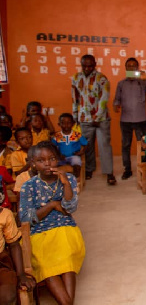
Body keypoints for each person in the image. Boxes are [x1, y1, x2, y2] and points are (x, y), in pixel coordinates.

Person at [19, 142, 86, 305]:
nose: (47, 163)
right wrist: (53, 205)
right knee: (46, 261)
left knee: (67, 255)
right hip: (38, 232)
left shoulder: (68, 178)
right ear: (33, 164)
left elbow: (70, 207)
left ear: (58, 160)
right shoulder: (28, 186)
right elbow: (26, 218)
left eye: (52, 158)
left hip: (64, 228)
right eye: (41, 160)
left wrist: (65, 183)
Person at [71, 54, 116, 184]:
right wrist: (75, 116)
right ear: (81, 65)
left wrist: (98, 116)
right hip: (84, 118)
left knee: (104, 146)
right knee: (87, 146)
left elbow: (104, 98)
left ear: (95, 64)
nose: (87, 68)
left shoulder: (101, 78)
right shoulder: (75, 78)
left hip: (101, 119)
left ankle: (109, 173)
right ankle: (89, 169)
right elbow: (75, 98)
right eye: (84, 66)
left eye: (90, 65)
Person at [113, 57, 146, 181]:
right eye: (129, 66)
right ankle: (127, 169)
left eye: (134, 66)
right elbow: (117, 99)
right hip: (125, 120)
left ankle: (145, 168)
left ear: (137, 68)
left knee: (144, 146)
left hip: (140, 120)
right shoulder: (121, 84)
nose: (131, 68)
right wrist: (116, 105)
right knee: (126, 145)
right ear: (125, 68)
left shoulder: (143, 82)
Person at [0, 182, 36, 305]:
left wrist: (21, 275)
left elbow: (14, 245)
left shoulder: (4, 215)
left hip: (1, 263)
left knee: (8, 295)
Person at [52, 113, 87, 182]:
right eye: (63, 123)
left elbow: (85, 144)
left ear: (73, 124)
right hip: (61, 157)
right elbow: (52, 146)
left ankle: (76, 178)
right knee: (52, 164)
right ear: (59, 124)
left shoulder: (77, 135)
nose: (66, 125)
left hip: (73, 156)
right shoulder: (57, 136)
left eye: (68, 123)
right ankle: (55, 179)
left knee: (77, 161)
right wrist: (58, 155)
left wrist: (81, 152)